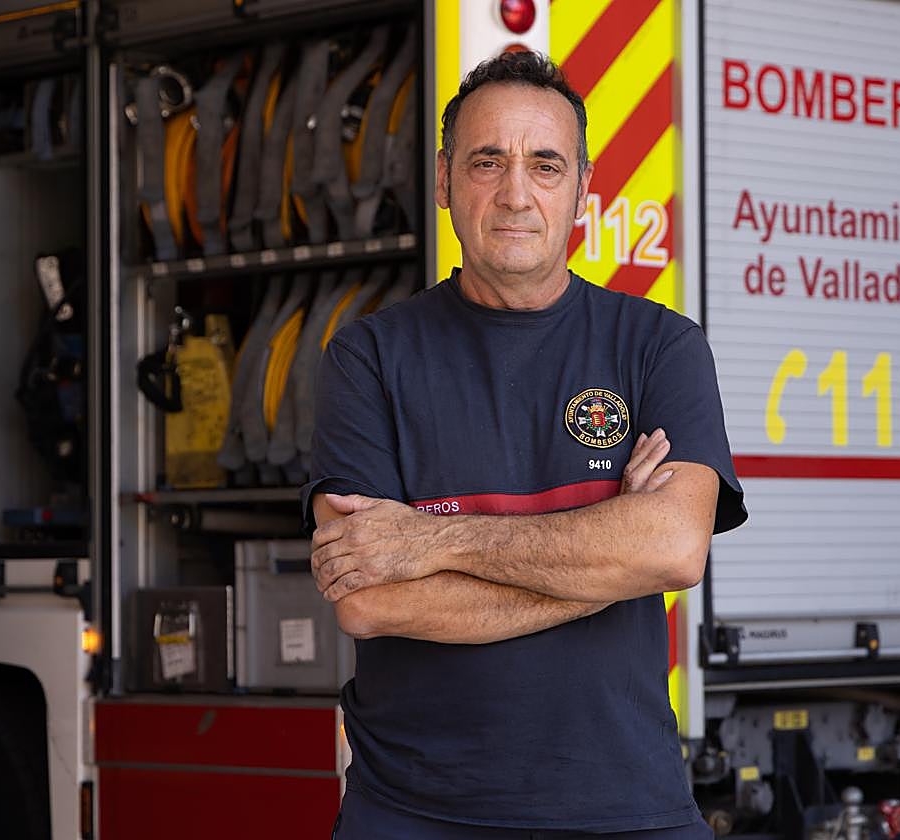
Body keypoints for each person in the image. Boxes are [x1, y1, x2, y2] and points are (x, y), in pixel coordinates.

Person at [302, 50, 747, 839]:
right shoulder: (367, 358)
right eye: (486, 162)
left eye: (545, 165)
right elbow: (370, 601)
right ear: (443, 182)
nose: (515, 193)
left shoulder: (659, 347)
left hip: (625, 809)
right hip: (411, 814)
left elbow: (675, 552)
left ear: (582, 187)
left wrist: (427, 540)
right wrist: (611, 554)